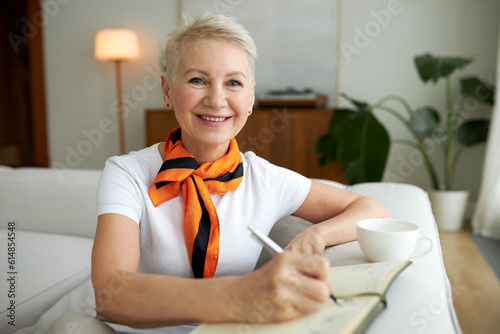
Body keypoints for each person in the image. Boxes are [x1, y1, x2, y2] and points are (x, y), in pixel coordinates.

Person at [91, 12, 390, 334]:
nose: (217, 99)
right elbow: (111, 295)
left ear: (250, 99)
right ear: (166, 90)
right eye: (197, 80)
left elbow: (373, 210)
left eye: (233, 83)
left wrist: (314, 236)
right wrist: (240, 295)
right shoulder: (126, 173)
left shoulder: (266, 179)